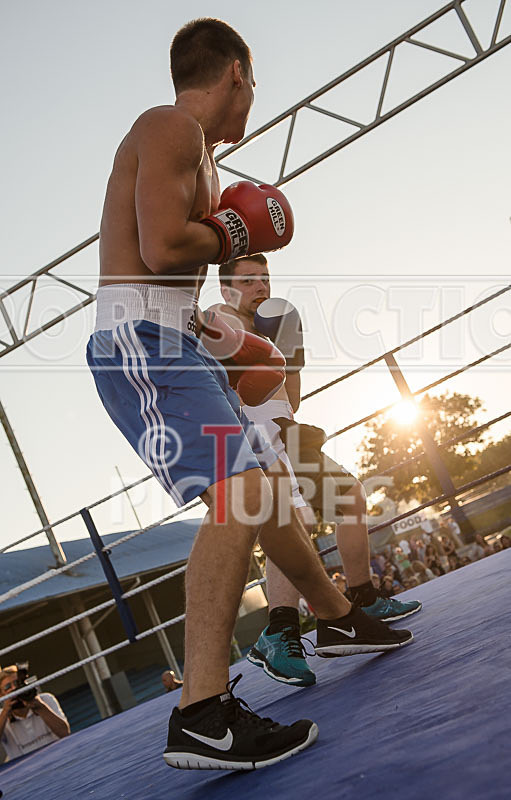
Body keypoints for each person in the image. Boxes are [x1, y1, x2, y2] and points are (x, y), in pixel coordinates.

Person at [87, 18, 413, 771]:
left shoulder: (197, 154)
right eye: (254, 83)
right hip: (141, 340)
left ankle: (334, 618)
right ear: (238, 71)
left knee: (262, 493)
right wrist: (235, 231)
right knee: (241, 495)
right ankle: (201, 710)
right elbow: (164, 246)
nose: (254, 98)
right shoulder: (168, 126)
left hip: (175, 341)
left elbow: (167, 255)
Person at [209, 253, 420, 687]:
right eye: (248, 281)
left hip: (283, 430)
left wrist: (289, 358)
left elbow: (289, 397)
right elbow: (223, 388)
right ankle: (279, 631)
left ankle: (361, 597)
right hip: (248, 440)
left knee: (350, 498)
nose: (261, 287)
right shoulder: (218, 319)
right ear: (227, 288)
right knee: (291, 522)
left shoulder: (276, 319)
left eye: (264, 278)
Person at [0, 665, 70, 761]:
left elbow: (65, 733)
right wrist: (5, 712)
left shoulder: (45, 700)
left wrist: (40, 706)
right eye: (8, 687)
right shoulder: (1, 716)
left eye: (17, 683)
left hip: (59, 757)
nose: (14, 688)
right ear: (1, 695)